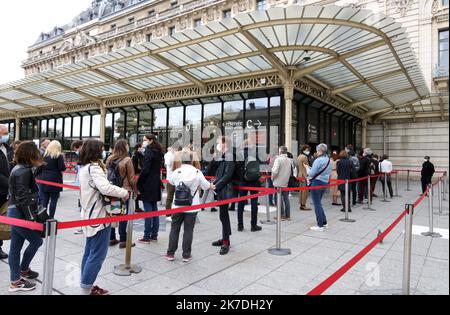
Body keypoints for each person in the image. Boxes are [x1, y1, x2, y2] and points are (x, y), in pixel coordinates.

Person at [78, 139, 129, 295]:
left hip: (89, 214)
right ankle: (86, 289)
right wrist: (123, 192)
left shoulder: (85, 167)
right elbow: (105, 187)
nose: (103, 150)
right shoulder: (94, 168)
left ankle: (87, 284)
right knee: (97, 255)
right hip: (98, 215)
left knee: (89, 253)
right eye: (100, 149)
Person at [165, 151, 216, 262]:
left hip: (177, 205)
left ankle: (170, 253)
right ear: (191, 160)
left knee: (174, 229)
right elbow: (206, 186)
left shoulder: (177, 171)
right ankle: (186, 255)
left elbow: (171, 182)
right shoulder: (197, 172)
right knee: (188, 230)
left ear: (181, 160)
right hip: (192, 206)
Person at [7, 141, 44, 292]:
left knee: (15, 247)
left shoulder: (21, 168)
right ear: (29, 154)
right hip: (20, 212)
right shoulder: (23, 170)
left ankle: (17, 277)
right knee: (37, 241)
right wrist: (31, 217)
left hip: (15, 211)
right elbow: (23, 196)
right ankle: (20, 274)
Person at [107, 140, 138, 249]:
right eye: (127, 145)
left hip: (113, 190)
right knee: (124, 216)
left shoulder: (109, 159)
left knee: (113, 213)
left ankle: (111, 238)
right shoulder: (127, 160)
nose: (129, 146)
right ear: (124, 147)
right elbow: (131, 178)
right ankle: (124, 240)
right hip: (125, 191)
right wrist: (135, 190)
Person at [137, 134, 164, 244]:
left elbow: (145, 169)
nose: (143, 142)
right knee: (154, 210)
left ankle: (146, 236)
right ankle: (154, 235)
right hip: (156, 183)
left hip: (148, 184)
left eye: (145, 140)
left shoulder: (149, 151)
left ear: (151, 140)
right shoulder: (159, 152)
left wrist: (139, 181)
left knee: (148, 210)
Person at [211, 136, 235, 255]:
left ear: (225, 144)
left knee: (223, 216)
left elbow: (228, 175)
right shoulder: (224, 156)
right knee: (223, 215)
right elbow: (218, 173)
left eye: (218, 142)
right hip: (221, 189)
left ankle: (226, 241)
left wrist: (217, 185)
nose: (217, 144)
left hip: (225, 190)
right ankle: (226, 238)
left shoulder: (229, 156)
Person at [235, 140, 262, 232]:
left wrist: (241, 177)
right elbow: (259, 166)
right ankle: (253, 225)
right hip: (254, 181)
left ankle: (240, 225)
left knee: (241, 203)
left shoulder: (239, 154)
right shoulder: (255, 153)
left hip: (243, 181)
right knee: (254, 203)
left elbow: (236, 167)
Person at [38, 140, 66, 219]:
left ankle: (43, 217)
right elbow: (62, 168)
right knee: (54, 200)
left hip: (44, 179)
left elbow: (39, 167)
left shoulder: (44, 156)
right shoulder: (58, 156)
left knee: (44, 200)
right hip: (55, 180)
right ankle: (51, 217)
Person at [308, 143, 333, 232]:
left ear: (320, 151)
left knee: (317, 204)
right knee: (319, 203)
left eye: (317, 150)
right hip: (325, 182)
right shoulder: (330, 160)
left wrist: (308, 169)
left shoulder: (318, 160)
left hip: (317, 182)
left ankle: (320, 225)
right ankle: (324, 222)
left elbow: (311, 173)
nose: (316, 152)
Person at [0, 124, 13, 260]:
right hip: (3, 187)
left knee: (2, 219)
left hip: (5, 192)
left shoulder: (8, 149)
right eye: (4, 133)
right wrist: (10, 182)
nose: (6, 136)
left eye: (7, 133)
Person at [272, 146, 293, 221]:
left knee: (278, 199)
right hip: (286, 181)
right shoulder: (289, 160)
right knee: (286, 198)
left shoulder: (278, 160)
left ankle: (281, 215)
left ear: (280, 151)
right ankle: (288, 215)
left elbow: (275, 171)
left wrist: (272, 178)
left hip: (278, 181)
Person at [71, 140, 84, 235]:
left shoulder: (84, 155)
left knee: (83, 205)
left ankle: (84, 226)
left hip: (83, 183)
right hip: (81, 182)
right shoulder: (83, 155)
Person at [297, 145, 312, 211]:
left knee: (301, 190)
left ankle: (301, 204)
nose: (308, 151)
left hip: (300, 174)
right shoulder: (305, 157)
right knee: (305, 191)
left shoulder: (299, 156)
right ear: (304, 150)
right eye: (307, 150)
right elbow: (307, 167)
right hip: (304, 175)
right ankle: (303, 205)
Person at [132, 143, 145, 213]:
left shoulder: (140, 155)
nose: (143, 148)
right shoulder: (136, 156)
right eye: (142, 147)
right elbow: (135, 167)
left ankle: (137, 206)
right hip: (138, 175)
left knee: (138, 191)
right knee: (138, 191)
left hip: (139, 175)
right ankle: (137, 207)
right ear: (138, 148)